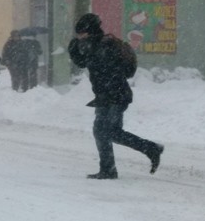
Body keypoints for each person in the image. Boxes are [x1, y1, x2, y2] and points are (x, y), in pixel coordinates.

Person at [68, 13, 163, 179]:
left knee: (111, 132)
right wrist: (74, 49)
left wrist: (109, 86)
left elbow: (107, 69)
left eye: (81, 33)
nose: (79, 36)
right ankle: (108, 169)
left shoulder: (105, 45)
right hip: (104, 96)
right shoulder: (93, 45)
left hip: (116, 95)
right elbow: (83, 63)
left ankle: (151, 149)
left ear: (89, 31)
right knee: (101, 132)